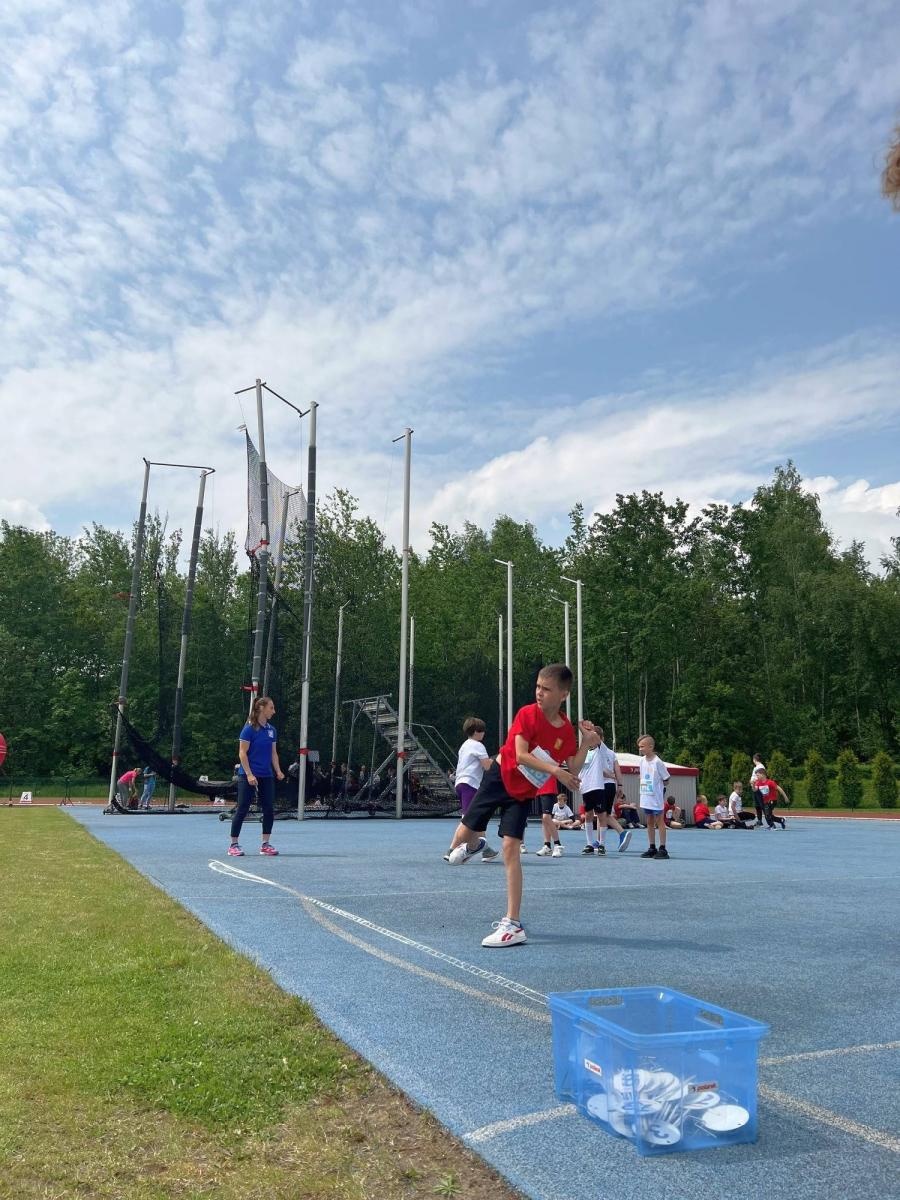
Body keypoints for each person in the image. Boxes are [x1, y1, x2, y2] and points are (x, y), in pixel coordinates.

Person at [445, 664, 600, 947]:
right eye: (538, 686)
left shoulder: (565, 730)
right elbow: (521, 755)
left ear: (563, 694)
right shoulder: (527, 714)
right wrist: (556, 772)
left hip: (522, 793)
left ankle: (513, 924)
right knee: (462, 837)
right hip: (498, 779)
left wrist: (587, 743)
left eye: (547, 689)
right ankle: (475, 844)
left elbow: (573, 765)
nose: (539, 692)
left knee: (510, 849)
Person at [228, 696, 285, 857]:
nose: (274, 711)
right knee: (243, 808)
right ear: (261, 708)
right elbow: (242, 753)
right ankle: (233, 844)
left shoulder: (271, 730)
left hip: (266, 774)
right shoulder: (248, 729)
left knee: (268, 808)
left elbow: (273, 753)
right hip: (248, 775)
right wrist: (249, 774)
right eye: (271, 708)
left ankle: (265, 844)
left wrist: (278, 771)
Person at [579, 728, 632, 854]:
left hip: (601, 784)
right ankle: (598, 841)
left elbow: (602, 770)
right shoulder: (611, 753)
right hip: (608, 785)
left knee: (603, 814)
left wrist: (610, 776)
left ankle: (621, 832)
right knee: (600, 813)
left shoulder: (598, 750)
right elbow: (617, 770)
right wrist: (619, 785)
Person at [636, 734, 671, 858]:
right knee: (649, 821)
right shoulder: (641, 761)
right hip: (646, 795)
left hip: (656, 796)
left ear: (650, 746)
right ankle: (652, 847)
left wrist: (658, 785)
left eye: (642, 746)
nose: (640, 749)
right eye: (639, 747)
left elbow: (666, 778)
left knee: (659, 821)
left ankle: (663, 848)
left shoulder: (658, 762)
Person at [536, 772, 566, 856]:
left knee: (546, 817)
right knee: (543, 818)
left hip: (549, 789)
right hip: (539, 789)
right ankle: (547, 845)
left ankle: (557, 844)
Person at [750, 754, 767, 827]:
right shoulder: (757, 767)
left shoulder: (760, 767)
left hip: (758, 788)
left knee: (761, 805)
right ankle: (760, 821)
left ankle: (769, 818)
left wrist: (753, 782)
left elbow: (760, 777)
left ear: (754, 759)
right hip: (755, 788)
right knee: (757, 805)